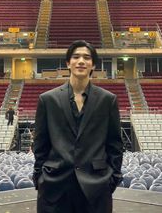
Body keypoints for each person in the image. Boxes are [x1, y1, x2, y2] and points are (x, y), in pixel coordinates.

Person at [33, 40, 124, 213]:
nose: (81, 61)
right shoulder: (47, 99)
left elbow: (115, 144)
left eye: (87, 58)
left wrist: (112, 178)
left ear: (93, 65)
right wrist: (40, 177)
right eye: (76, 57)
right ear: (68, 63)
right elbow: (40, 144)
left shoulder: (108, 100)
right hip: (55, 185)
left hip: (96, 186)